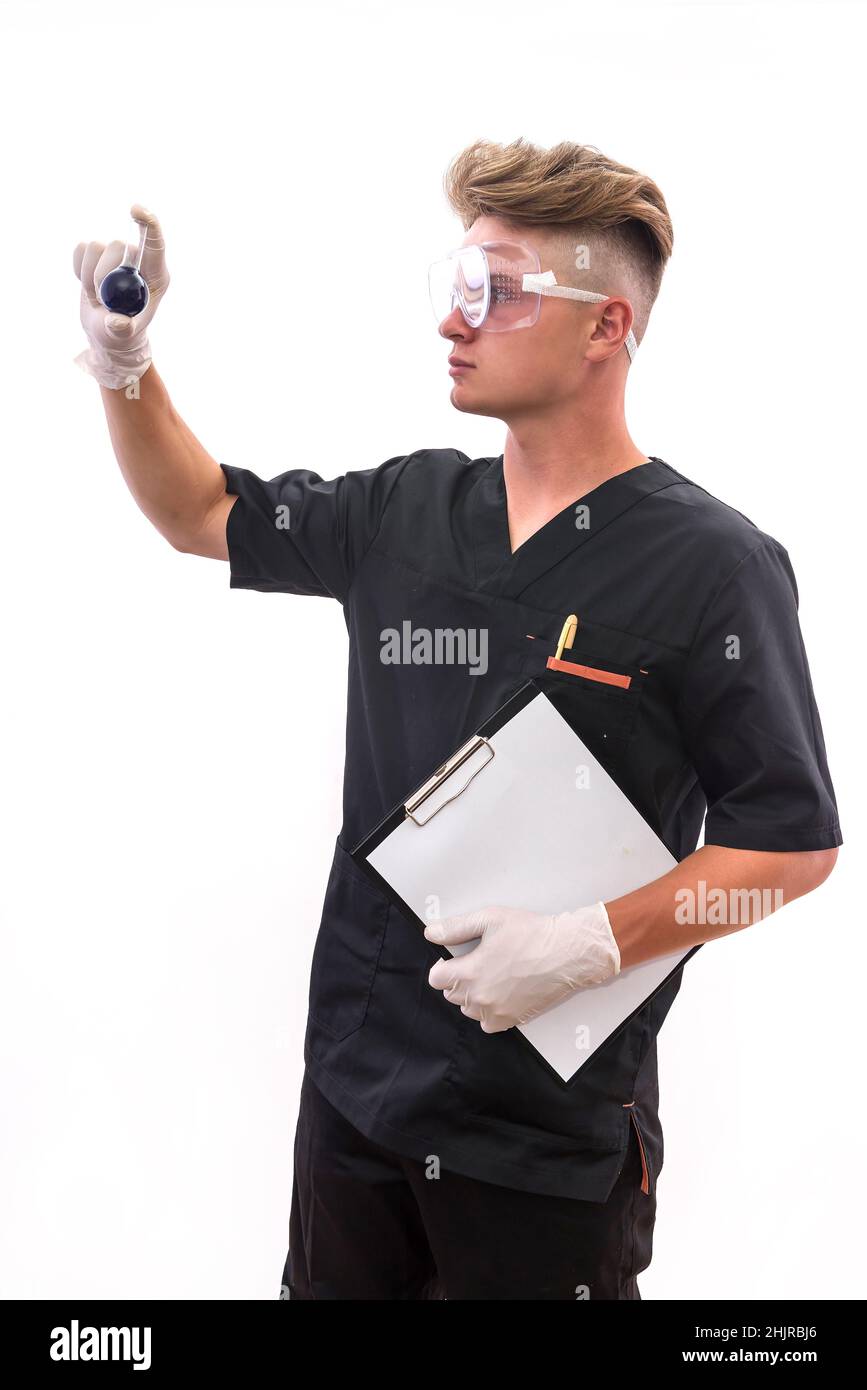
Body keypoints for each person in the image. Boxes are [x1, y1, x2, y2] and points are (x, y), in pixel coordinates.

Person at [72, 137, 842, 1300]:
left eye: (500, 290)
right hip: (356, 1095)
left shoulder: (715, 570)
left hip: (545, 1150)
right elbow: (197, 510)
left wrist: (592, 941)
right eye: (457, 284)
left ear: (606, 327)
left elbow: (790, 843)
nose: (455, 320)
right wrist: (124, 361)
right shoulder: (407, 509)